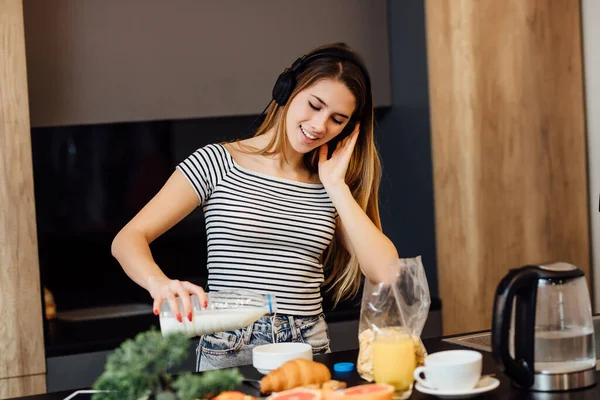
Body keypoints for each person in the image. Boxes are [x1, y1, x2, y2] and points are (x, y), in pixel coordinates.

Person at [111, 42, 399, 371]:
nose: (320, 125)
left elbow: (387, 272)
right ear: (288, 90)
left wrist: (336, 186)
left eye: (337, 119)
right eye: (314, 105)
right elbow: (127, 238)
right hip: (228, 347)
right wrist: (159, 283)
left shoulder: (331, 185)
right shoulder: (217, 162)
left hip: (307, 347)